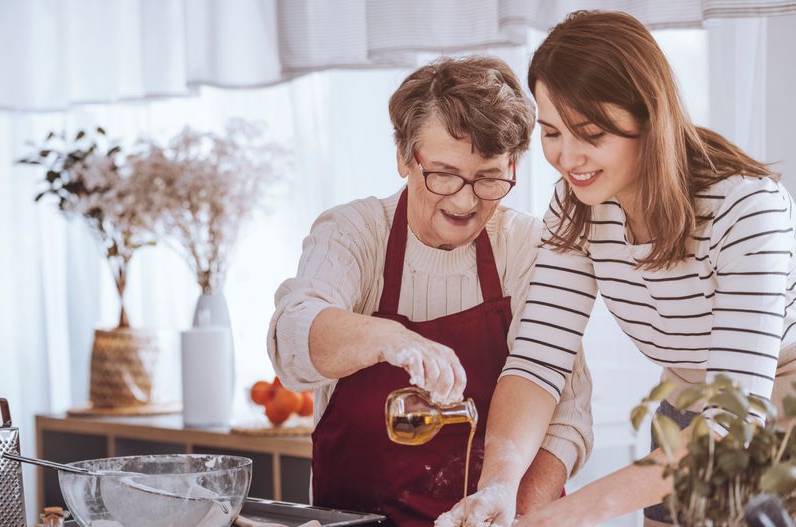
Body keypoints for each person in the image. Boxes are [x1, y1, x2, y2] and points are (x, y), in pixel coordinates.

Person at [436, 11, 796, 527]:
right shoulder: (577, 205)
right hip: (685, 411)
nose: (567, 157)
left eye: (590, 133)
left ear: (648, 117)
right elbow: (538, 361)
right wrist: (500, 485)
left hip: (778, 409)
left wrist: (571, 511)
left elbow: (734, 419)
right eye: (552, 132)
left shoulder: (747, 208)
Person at [266, 57, 593, 526]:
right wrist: (389, 339)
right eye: (443, 173)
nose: (464, 200)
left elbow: (566, 413)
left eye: (488, 178)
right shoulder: (354, 232)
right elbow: (291, 341)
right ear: (404, 156)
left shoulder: (528, 246)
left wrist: (515, 513)